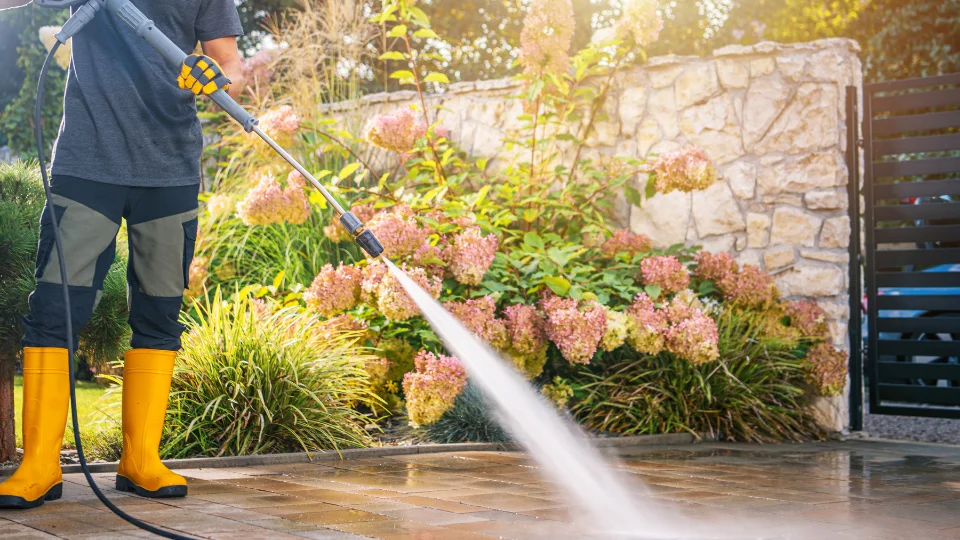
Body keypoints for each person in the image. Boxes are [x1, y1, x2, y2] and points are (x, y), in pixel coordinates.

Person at [0, 0, 244, 509]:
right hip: (88, 164)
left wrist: (214, 77)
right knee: (54, 308)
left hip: (171, 166)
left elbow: (231, 66)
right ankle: (40, 465)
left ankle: (140, 461)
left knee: (160, 312)